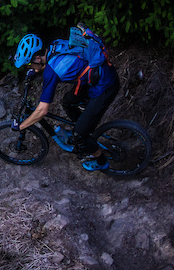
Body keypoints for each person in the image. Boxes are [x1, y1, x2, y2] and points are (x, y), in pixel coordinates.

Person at [12, 30, 120, 171]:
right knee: (68, 102)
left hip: (105, 88)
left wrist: (22, 126)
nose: (30, 67)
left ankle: (100, 160)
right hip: (99, 76)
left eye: (29, 64)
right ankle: (84, 128)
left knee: (79, 135)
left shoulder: (51, 72)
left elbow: (42, 110)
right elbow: (62, 61)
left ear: (37, 58)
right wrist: (36, 71)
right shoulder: (55, 45)